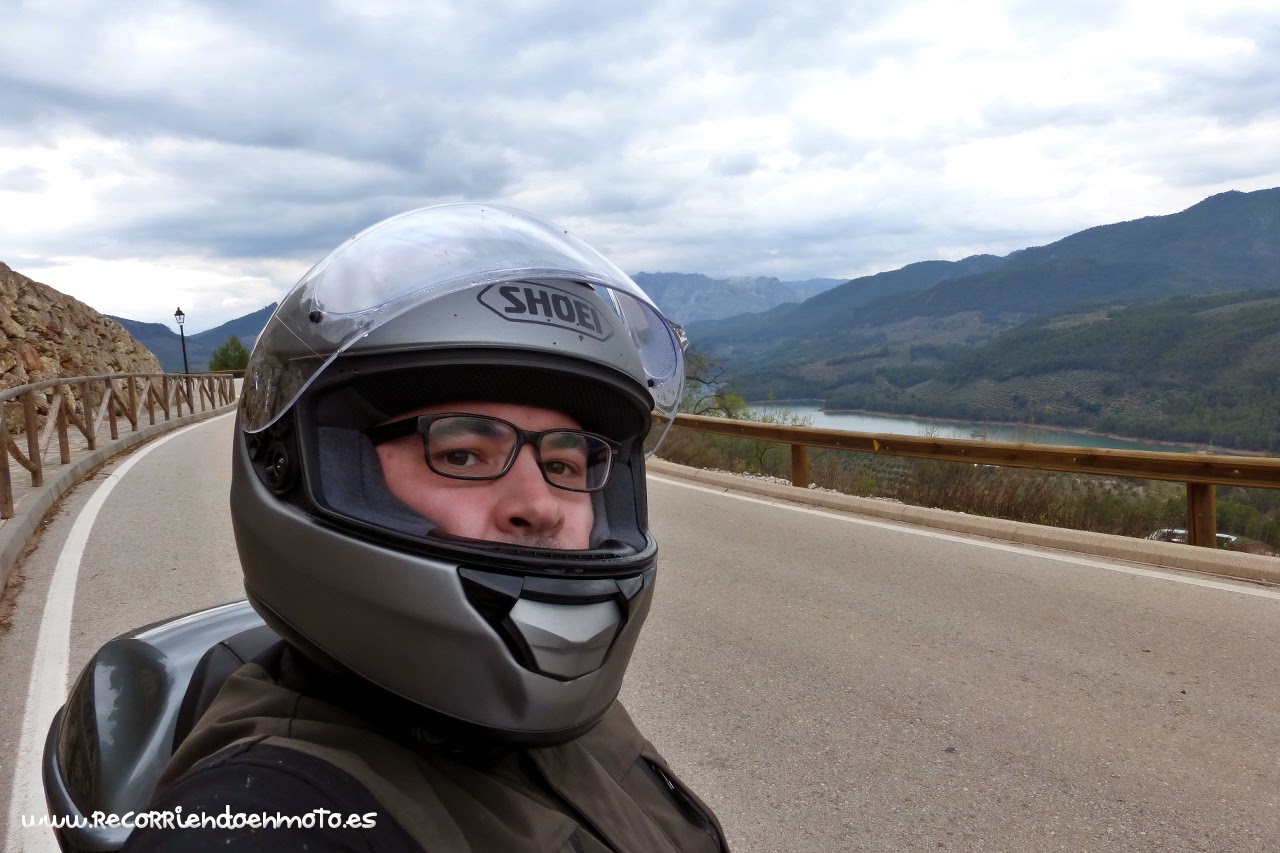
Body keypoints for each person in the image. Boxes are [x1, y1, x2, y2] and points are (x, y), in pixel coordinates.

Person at [123, 203, 729, 852]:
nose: (542, 504)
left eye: (563, 461)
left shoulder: (579, 726)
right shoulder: (273, 809)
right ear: (315, 470)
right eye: (462, 453)